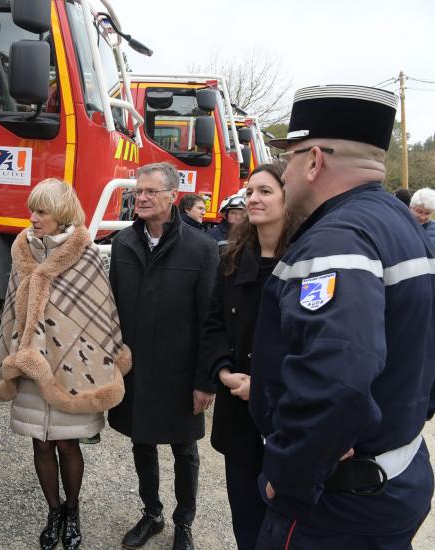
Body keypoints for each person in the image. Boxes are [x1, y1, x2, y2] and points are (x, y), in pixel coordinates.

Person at [250, 85, 435, 548]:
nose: (286, 172)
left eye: (288, 157)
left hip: (335, 508)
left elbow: (338, 383)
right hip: (394, 480)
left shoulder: (338, 239)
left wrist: (289, 477)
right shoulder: (401, 225)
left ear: (313, 161)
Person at [0, 178, 131, 550]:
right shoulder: (24, 249)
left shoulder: (85, 254)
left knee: (68, 445)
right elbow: (12, 309)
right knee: (40, 444)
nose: (33, 218)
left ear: (62, 214)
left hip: (72, 370)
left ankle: (72, 509)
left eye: (42, 211)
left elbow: (101, 312)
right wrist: (12, 354)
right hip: (30, 364)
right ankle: (53, 511)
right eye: (32, 209)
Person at [108, 162, 219, 550]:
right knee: (142, 442)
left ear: (173, 196)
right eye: (139, 190)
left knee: (184, 450)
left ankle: (183, 523)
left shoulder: (201, 248)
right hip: (137, 370)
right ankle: (151, 514)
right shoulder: (123, 244)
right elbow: (112, 311)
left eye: (151, 191)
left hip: (180, 372)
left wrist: (206, 381)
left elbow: (211, 320)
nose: (141, 197)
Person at [198, 162, 298, 550]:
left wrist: (264, 385)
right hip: (238, 414)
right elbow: (213, 324)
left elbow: (313, 344)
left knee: (284, 520)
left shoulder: (310, 262)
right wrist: (223, 372)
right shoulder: (233, 258)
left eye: (265, 191)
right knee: (245, 517)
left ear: (288, 199)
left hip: (285, 415)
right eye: (250, 191)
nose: (252, 198)